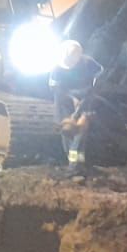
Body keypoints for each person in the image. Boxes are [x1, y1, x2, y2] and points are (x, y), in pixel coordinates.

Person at [49, 40, 102, 175]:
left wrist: (93, 89)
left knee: (80, 134)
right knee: (67, 133)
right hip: (64, 103)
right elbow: (55, 88)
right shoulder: (57, 68)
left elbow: (100, 73)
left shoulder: (87, 62)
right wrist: (73, 99)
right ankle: (73, 163)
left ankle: (77, 165)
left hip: (86, 101)